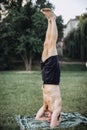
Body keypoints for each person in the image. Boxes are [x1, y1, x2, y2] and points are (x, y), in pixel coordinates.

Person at [35, 8, 62, 128]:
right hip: (53, 77)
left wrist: (44, 119)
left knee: (46, 43)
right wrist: (54, 121)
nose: (47, 116)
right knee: (52, 43)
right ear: (57, 116)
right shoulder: (57, 108)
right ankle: (53, 19)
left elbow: (37, 117)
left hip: (45, 77)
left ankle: (49, 21)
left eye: (47, 117)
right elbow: (52, 126)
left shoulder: (46, 106)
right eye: (50, 117)